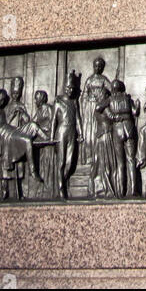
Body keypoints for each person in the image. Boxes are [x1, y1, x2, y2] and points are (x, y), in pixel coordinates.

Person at [50, 71, 82, 199]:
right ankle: (61, 188)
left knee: (69, 164)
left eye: (72, 88)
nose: (70, 90)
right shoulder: (58, 102)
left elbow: (78, 119)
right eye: (68, 88)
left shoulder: (74, 102)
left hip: (72, 132)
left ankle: (62, 180)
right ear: (64, 88)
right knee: (61, 162)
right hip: (61, 132)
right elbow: (53, 121)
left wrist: (81, 133)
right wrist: (52, 137)